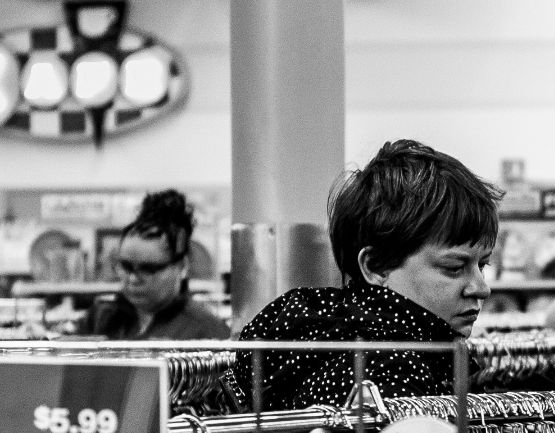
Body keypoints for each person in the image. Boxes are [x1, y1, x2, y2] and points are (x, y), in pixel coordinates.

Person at [236, 139, 500, 409]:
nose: (481, 288)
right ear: (375, 267)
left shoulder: (345, 342)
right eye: (454, 267)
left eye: (482, 266)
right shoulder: (388, 369)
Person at [79, 191, 228, 341]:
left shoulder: (206, 331)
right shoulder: (100, 318)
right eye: (126, 266)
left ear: (182, 267)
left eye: (148, 269)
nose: (133, 278)